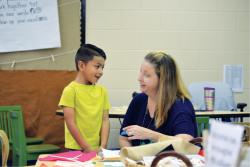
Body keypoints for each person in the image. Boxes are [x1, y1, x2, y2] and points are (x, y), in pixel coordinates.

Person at [119, 51, 198, 147]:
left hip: (169, 161)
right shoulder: (139, 100)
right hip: (140, 162)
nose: (139, 78)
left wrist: (151, 135)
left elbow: (186, 143)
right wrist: (131, 156)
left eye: (147, 75)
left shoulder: (180, 105)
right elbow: (123, 138)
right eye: (140, 72)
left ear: (163, 80)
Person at [59, 44, 111, 152]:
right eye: (97, 66)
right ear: (82, 66)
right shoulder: (70, 90)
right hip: (76, 149)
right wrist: (86, 147)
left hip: (97, 149)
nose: (101, 72)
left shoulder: (102, 91)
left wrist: (103, 145)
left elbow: (105, 120)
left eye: (103, 67)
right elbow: (70, 123)